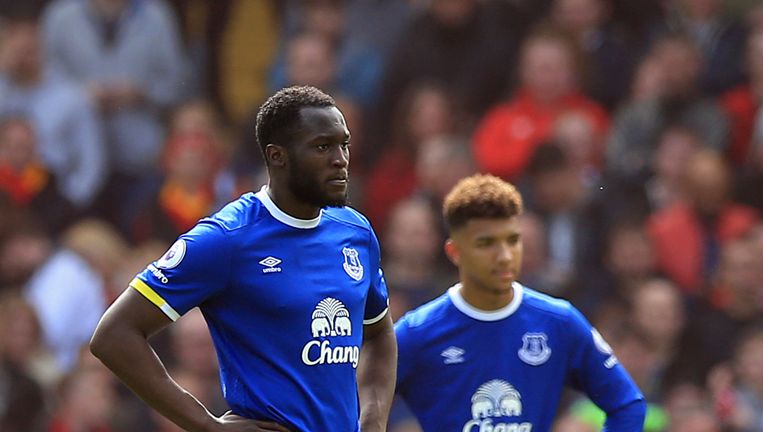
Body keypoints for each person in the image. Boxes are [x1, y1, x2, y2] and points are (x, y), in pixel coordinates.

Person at [89, 85, 397, 432]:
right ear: (277, 156)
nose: (340, 158)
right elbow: (113, 335)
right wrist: (208, 426)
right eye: (322, 146)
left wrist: (373, 421)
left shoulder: (355, 231)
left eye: (344, 144)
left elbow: (380, 335)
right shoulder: (227, 238)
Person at [394, 174, 646, 431]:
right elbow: (360, 400)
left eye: (513, 240)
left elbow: (627, 404)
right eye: (486, 243)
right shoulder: (418, 332)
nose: (504, 256)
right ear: (454, 252)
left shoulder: (559, 322)